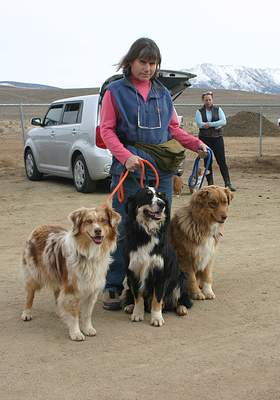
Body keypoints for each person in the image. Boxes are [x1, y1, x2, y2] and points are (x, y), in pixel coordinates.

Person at [100, 37, 209, 310]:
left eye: (152, 63)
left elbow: (173, 129)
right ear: (130, 62)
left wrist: (196, 143)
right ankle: (113, 287)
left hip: (161, 173)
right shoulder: (115, 91)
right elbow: (107, 131)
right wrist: (125, 157)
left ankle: (157, 286)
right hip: (130, 173)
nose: (147, 68)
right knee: (123, 230)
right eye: (142, 62)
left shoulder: (162, 93)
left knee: (160, 231)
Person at [195, 91, 236, 191]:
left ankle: (227, 183)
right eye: (206, 100)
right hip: (205, 139)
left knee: (221, 160)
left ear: (212, 100)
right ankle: (210, 184)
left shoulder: (218, 110)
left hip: (217, 138)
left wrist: (209, 124)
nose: (208, 102)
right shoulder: (199, 112)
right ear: (203, 100)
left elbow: (223, 121)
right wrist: (216, 124)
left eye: (209, 99)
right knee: (208, 161)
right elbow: (200, 124)